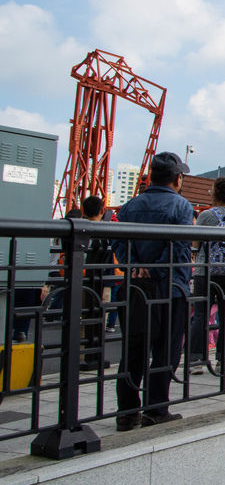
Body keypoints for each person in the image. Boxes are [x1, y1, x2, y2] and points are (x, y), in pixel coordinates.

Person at [111, 152, 193, 430]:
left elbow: (118, 242)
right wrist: (155, 268)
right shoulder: (181, 206)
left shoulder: (130, 206)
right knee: (166, 349)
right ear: (177, 178)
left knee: (133, 349)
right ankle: (157, 408)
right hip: (169, 287)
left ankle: (126, 412)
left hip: (134, 286)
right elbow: (179, 248)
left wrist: (134, 265)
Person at [188, 178, 225, 375]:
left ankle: (196, 360)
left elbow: (195, 245)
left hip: (206, 270)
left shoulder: (206, 216)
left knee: (200, 315)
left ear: (216, 193)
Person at [80, 195, 115, 370]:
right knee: (100, 318)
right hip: (102, 281)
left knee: (83, 318)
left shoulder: (79, 229)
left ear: (83, 210)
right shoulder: (106, 233)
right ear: (102, 210)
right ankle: (95, 355)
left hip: (81, 279)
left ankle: (81, 354)